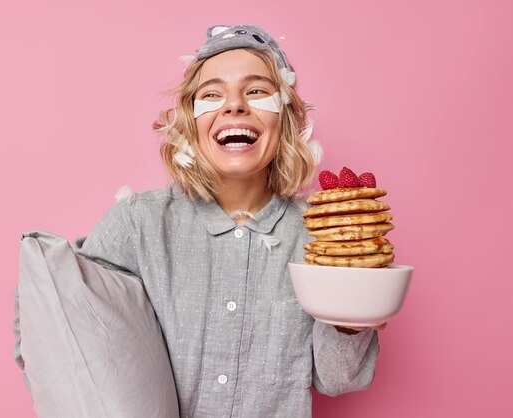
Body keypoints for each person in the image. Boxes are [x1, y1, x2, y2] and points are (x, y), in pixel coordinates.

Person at [74, 24, 382, 417]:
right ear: (190, 122)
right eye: (212, 94)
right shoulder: (137, 225)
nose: (234, 105)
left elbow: (338, 380)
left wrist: (354, 314)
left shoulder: (321, 234)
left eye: (256, 91)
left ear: (284, 119)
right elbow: (66, 329)